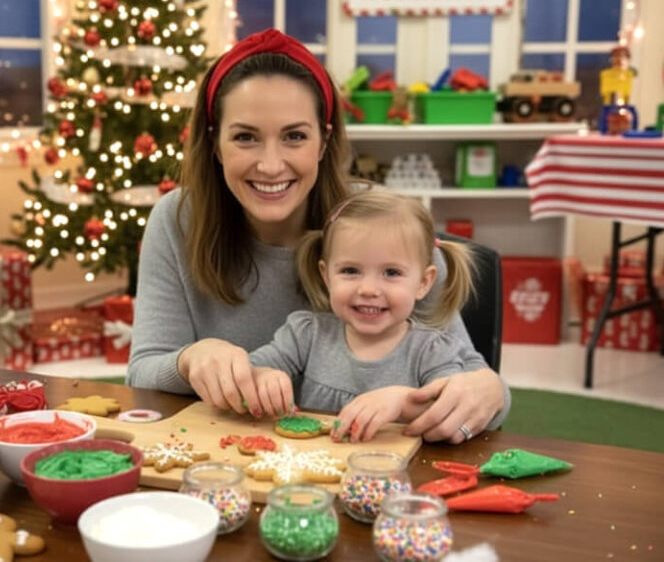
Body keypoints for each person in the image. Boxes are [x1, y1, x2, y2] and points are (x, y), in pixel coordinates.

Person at [128, 28, 507, 444]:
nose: (271, 166)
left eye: (295, 136)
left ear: (324, 142)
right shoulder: (176, 220)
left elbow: (480, 385)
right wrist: (190, 359)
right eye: (245, 137)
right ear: (215, 143)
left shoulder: (381, 224)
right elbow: (143, 372)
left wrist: (487, 389)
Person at [249, 190, 510, 442]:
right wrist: (262, 376)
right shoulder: (305, 334)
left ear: (424, 283)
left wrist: (403, 402)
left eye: (391, 273)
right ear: (326, 276)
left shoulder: (433, 351)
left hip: (401, 469)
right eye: (350, 270)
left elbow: (448, 409)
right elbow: (248, 371)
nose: (368, 289)